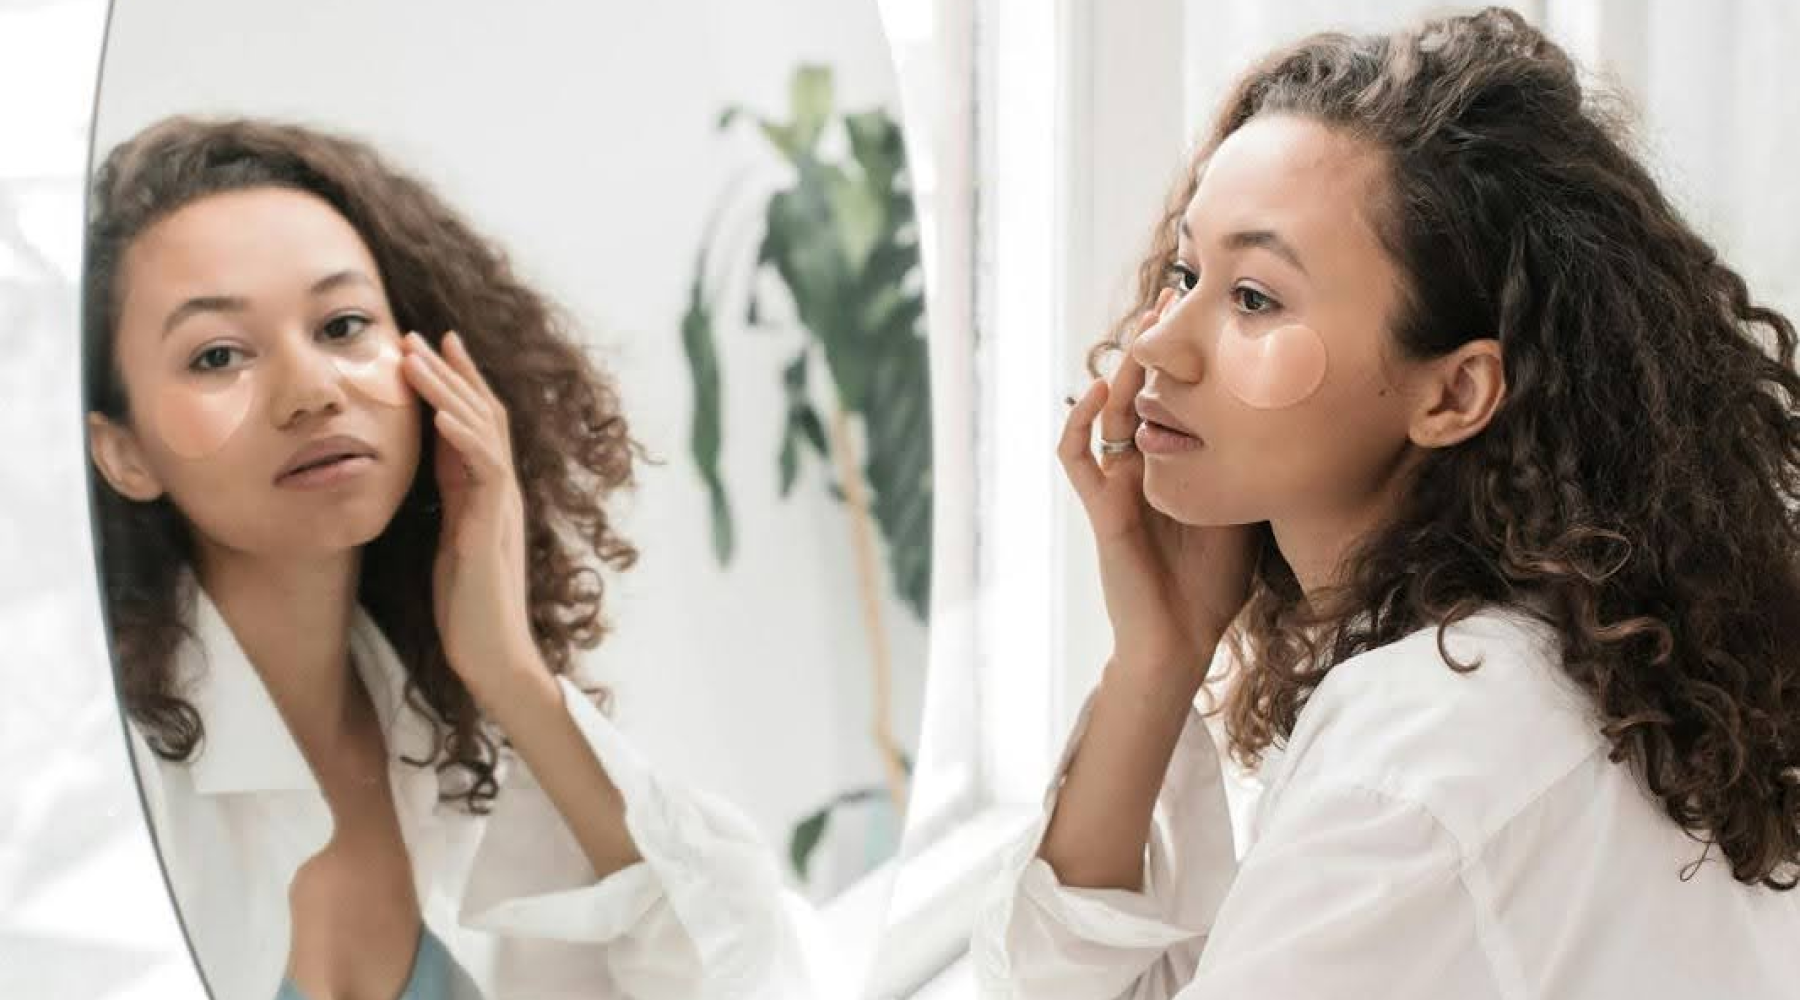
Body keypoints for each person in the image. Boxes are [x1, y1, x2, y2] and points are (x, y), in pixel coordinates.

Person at [974, 8, 1800, 998]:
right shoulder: (1532, 660)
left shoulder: (1424, 761)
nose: (1156, 344)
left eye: (1254, 299)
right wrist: (1157, 661)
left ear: (1453, 393)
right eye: (1188, 272)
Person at [83, 116, 812, 999]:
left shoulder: (454, 735)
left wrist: (511, 673)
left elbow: (741, 965)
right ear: (122, 452)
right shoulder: (103, 791)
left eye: (344, 324)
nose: (313, 391)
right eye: (218, 355)